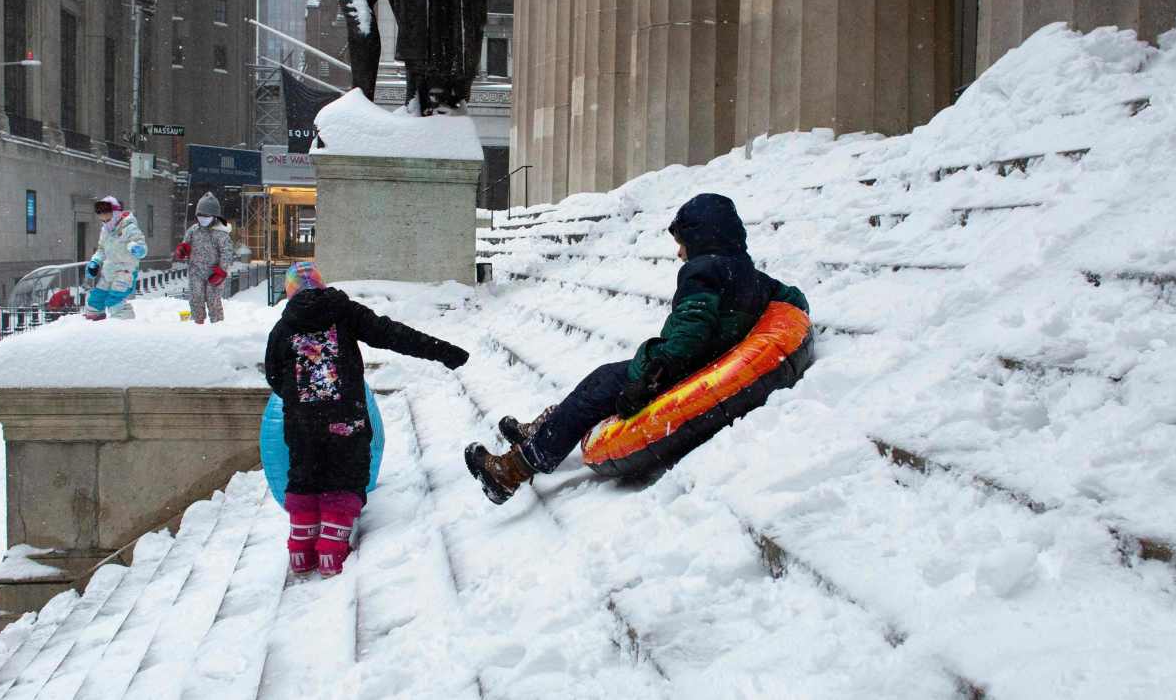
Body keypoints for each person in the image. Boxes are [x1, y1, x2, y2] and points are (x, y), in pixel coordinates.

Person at [466, 193, 810, 504]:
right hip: (694, 363)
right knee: (597, 384)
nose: (679, 252)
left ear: (701, 237)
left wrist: (649, 378)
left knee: (595, 390)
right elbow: (794, 298)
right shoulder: (749, 274)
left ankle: (511, 470)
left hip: (673, 370)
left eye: (682, 242)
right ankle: (541, 429)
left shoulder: (702, 271)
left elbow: (692, 332)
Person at [264, 262, 470, 577]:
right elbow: (394, 335)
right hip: (345, 416)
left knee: (304, 474)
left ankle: (301, 554)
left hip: (302, 421)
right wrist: (444, 351)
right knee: (344, 474)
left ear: (290, 293)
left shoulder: (283, 327)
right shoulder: (343, 310)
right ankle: (332, 553)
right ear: (321, 286)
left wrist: (299, 400)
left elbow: (274, 375)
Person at [83, 195, 148, 321]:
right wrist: (95, 261)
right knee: (95, 300)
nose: (104, 219)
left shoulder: (129, 228)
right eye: (101, 215)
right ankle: (95, 326)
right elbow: (101, 249)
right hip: (109, 271)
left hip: (125, 271)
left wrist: (137, 248)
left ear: (116, 213)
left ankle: (123, 329)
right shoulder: (105, 230)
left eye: (107, 215)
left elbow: (142, 248)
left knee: (115, 301)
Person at [175, 192, 234, 324]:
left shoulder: (221, 234)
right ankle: (198, 323)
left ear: (214, 216)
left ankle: (217, 325)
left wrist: (221, 270)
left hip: (214, 273)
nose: (203, 218)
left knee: (213, 300)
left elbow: (227, 253)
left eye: (206, 216)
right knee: (196, 298)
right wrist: (182, 250)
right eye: (200, 215)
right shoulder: (193, 230)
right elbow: (185, 245)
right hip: (196, 271)